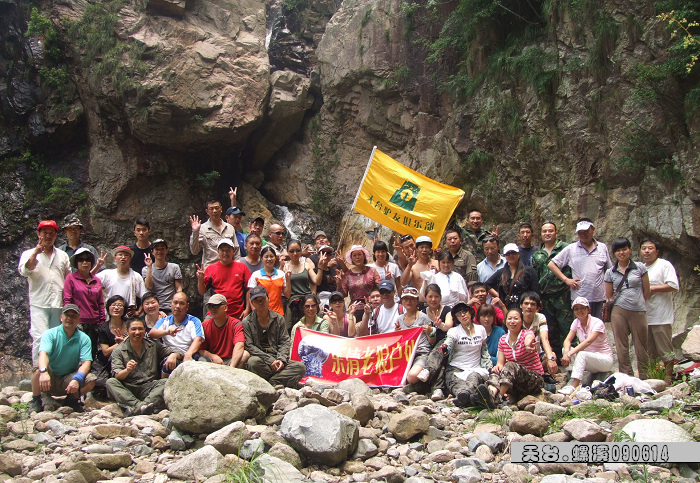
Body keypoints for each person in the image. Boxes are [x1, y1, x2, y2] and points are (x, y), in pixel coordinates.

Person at [107, 317, 184, 416]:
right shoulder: (119, 350)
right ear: (127, 331)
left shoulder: (152, 344)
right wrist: (127, 370)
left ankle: (135, 408)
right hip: (129, 387)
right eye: (133, 329)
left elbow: (178, 352)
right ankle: (142, 407)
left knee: (165, 382)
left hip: (149, 388)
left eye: (140, 329)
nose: (137, 332)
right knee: (110, 382)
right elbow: (117, 376)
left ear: (144, 330)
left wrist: (173, 355)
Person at [19, 220, 71, 363]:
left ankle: (54, 372)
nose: (48, 236)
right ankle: (39, 370)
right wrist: (36, 252)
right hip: (39, 303)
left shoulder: (63, 255)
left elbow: (68, 279)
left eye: (51, 233)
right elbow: (25, 270)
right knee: (40, 337)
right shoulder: (28, 254)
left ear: (55, 235)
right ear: (38, 234)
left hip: (58, 303)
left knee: (57, 338)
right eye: (45, 233)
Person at [30, 304, 96, 413]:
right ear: (61, 317)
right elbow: (43, 354)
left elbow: (86, 363)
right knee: (37, 370)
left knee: (91, 380)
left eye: (73, 316)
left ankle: (71, 400)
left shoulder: (84, 338)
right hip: (49, 378)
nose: (69, 318)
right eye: (67, 315)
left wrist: (77, 379)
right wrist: (44, 372)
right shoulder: (50, 334)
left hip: (67, 379)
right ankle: (36, 400)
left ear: (79, 319)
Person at [604, 237, 650, 379]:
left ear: (630, 249)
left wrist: (639, 302)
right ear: (614, 253)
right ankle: (627, 376)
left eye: (624, 249)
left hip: (638, 310)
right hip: (619, 310)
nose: (621, 253)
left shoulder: (640, 267)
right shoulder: (610, 272)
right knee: (621, 344)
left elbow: (647, 291)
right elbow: (609, 294)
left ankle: (645, 376)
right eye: (618, 250)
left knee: (641, 344)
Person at [548, 218, 612, 318]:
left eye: (586, 231)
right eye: (580, 232)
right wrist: (566, 280)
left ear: (593, 230)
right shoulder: (571, 248)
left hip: (599, 297)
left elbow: (609, 271)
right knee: (580, 328)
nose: (583, 234)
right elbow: (552, 264)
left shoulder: (602, 247)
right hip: (580, 298)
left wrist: (609, 295)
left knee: (598, 328)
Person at [242, 287, 306, 387]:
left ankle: (271, 381)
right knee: (252, 362)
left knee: (300, 367)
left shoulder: (279, 318)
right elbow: (249, 346)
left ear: (268, 298)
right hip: (261, 360)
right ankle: (279, 380)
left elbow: (284, 341)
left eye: (263, 299)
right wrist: (270, 360)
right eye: (256, 301)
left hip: (277, 356)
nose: (260, 303)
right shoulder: (247, 322)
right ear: (252, 303)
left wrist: (281, 360)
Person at [433, 303, 493, 408]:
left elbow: (484, 350)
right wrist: (444, 349)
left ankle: (465, 399)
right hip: (456, 368)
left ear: (470, 312)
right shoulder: (454, 331)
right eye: (459, 314)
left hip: (475, 368)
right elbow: (448, 344)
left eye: (465, 311)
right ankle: (471, 398)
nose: (463, 315)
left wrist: (488, 366)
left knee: (474, 378)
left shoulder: (481, 329)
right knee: (456, 383)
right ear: (456, 318)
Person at [486, 308, 544, 405]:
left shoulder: (527, 333)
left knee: (511, 365)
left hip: (534, 379)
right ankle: (489, 395)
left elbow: (529, 338)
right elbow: (500, 363)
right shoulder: (503, 340)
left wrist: (527, 344)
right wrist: (497, 368)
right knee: (496, 371)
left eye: (516, 319)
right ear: (505, 321)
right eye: (510, 319)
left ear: (521, 322)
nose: (512, 321)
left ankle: (497, 398)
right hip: (515, 381)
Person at [531, 222, 573, 359]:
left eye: (550, 231)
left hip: (563, 295)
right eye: (544, 231)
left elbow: (574, 266)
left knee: (566, 327)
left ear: (556, 233)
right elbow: (535, 277)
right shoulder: (537, 255)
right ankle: (556, 360)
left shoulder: (566, 249)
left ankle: (570, 357)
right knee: (550, 329)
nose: (547, 233)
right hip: (545, 297)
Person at [640, 238, 679, 384]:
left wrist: (652, 288)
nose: (647, 251)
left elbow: (673, 285)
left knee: (665, 349)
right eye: (644, 248)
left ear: (657, 251)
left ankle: (668, 377)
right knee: (649, 351)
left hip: (661, 315)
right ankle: (654, 379)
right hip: (644, 316)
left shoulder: (664, 265)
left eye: (650, 248)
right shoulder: (641, 268)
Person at [559, 296, 614, 395]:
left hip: (604, 360)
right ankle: (572, 377)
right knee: (565, 349)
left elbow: (588, 341)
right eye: (576, 309)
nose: (579, 311)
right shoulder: (576, 322)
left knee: (581, 354)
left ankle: (573, 386)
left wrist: (570, 353)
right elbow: (567, 339)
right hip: (589, 359)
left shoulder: (597, 323)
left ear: (588, 309)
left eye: (582, 308)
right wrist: (567, 352)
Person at [63, 247, 106, 358]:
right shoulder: (71, 278)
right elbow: (67, 299)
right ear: (76, 263)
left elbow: (100, 302)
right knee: (76, 348)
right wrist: (68, 318)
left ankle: (90, 370)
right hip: (78, 321)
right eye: (81, 260)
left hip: (94, 321)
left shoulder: (96, 280)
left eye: (87, 260)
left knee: (92, 349)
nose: (85, 262)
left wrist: (102, 321)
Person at [149, 292, 204, 374]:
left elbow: (198, 340)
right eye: (175, 303)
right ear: (171, 304)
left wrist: (188, 354)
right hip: (169, 353)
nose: (177, 306)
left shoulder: (194, 321)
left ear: (187, 306)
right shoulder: (164, 320)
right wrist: (167, 332)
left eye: (181, 303)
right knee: (167, 364)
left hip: (188, 353)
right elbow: (152, 333)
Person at [198, 239, 251, 320]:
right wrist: (200, 280)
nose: (225, 253)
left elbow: (249, 289)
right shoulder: (211, 269)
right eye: (222, 250)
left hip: (237, 313)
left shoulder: (242, 267)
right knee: (205, 329)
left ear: (233, 251)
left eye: (228, 250)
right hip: (215, 312)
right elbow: (202, 291)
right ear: (218, 252)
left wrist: (247, 309)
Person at [396, 287, 436, 384]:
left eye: (412, 299)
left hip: (421, 353)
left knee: (412, 377)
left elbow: (432, 341)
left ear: (417, 301)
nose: (408, 301)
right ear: (402, 301)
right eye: (406, 299)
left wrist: (430, 332)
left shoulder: (423, 317)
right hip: (405, 355)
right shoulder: (400, 319)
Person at [198, 294, 249, 368]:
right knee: (201, 359)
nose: (212, 309)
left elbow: (239, 345)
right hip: (213, 361)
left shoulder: (235, 324)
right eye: (210, 306)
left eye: (216, 306)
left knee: (245, 354)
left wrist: (231, 367)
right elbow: (200, 349)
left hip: (231, 360)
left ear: (225, 307)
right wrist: (212, 356)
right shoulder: (204, 325)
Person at [486, 243, 539, 311]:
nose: (511, 255)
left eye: (513, 253)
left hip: (525, 308)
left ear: (518, 254)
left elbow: (536, 292)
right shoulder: (501, 272)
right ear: (505, 256)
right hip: (507, 308)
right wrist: (499, 295)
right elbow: (486, 285)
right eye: (508, 254)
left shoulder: (529, 271)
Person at [96, 246, 147, 316]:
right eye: (120, 255)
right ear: (115, 258)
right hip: (110, 314)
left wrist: (138, 312)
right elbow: (89, 279)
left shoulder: (136, 276)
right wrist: (98, 266)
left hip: (128, 315)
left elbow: (145, 297)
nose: (123, 257)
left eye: (126, 255)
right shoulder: (107, 274)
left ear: (130, 259)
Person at [93, 296, 128, 394]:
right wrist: (120, 343)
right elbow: (106, 352)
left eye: (120, 305)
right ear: (108, 307)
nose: (116, 308)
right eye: (113, 305)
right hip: (107, 361)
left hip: (127, 358)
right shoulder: (103, 328)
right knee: (100, 384)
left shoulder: (130, 324)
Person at [520, 292, 558, 383]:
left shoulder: (540, 318)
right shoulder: (516, 317)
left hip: (536, 356)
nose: (529, 307)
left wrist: (551, 359)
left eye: (533, 304)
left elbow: (544, 339)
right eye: (526, 303)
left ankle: (542, 373)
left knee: (552, 355)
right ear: (521, 305)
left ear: (537, 308)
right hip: (520, 357)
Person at [190, 199, 239, 270]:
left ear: (221, 209)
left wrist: (237, 267)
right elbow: (194, 251)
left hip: (228, 269)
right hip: (210, 270)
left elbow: (236, 250)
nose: (214, 211)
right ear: (207, 211)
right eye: (211, 209)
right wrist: (195, 232)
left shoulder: (230, 228)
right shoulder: (202, 229)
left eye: (217, 208)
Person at [284, 239, 322, 328]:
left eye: (298, 250)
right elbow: (287, 294)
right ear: (287, 252)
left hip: (307, 301)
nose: (295, 253)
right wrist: (288, 279)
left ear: (301, 251)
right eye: (291, 251)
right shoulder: (285, 267)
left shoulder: (306, 265)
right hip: (293, 303)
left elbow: (317, 281)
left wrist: (320, 267)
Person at [340, 245, 382, 321]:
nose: (357, 257)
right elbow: (343, 294)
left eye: (359, 254)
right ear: (352, 258)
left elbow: (380, 287)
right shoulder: (348, 275)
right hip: (354, 308)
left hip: (371, 306)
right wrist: (338, 283)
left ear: (364, 256)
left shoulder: (372, 271)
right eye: (354, 255)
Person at [248, 246, 291, 316]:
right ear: (261, 258)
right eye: (266, 257)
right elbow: (250, 296)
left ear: (275, 258)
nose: (269, 259)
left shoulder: (281, 274)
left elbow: (287, 295)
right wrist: (255, 312)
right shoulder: (256, 275)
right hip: (261, 313)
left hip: (278, 313)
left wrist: (288, 280)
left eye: (271, 256)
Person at [142, 239, 182, 314]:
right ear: (152, 252)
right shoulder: (146, 269)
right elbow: (149, 286)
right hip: (153, 307)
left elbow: (178, 288)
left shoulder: (174, 267)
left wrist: (178, 303)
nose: (159, 251)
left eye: (162, 249)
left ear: (166, 250)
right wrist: (149, 267)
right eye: (157, 249)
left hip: (170, 307)